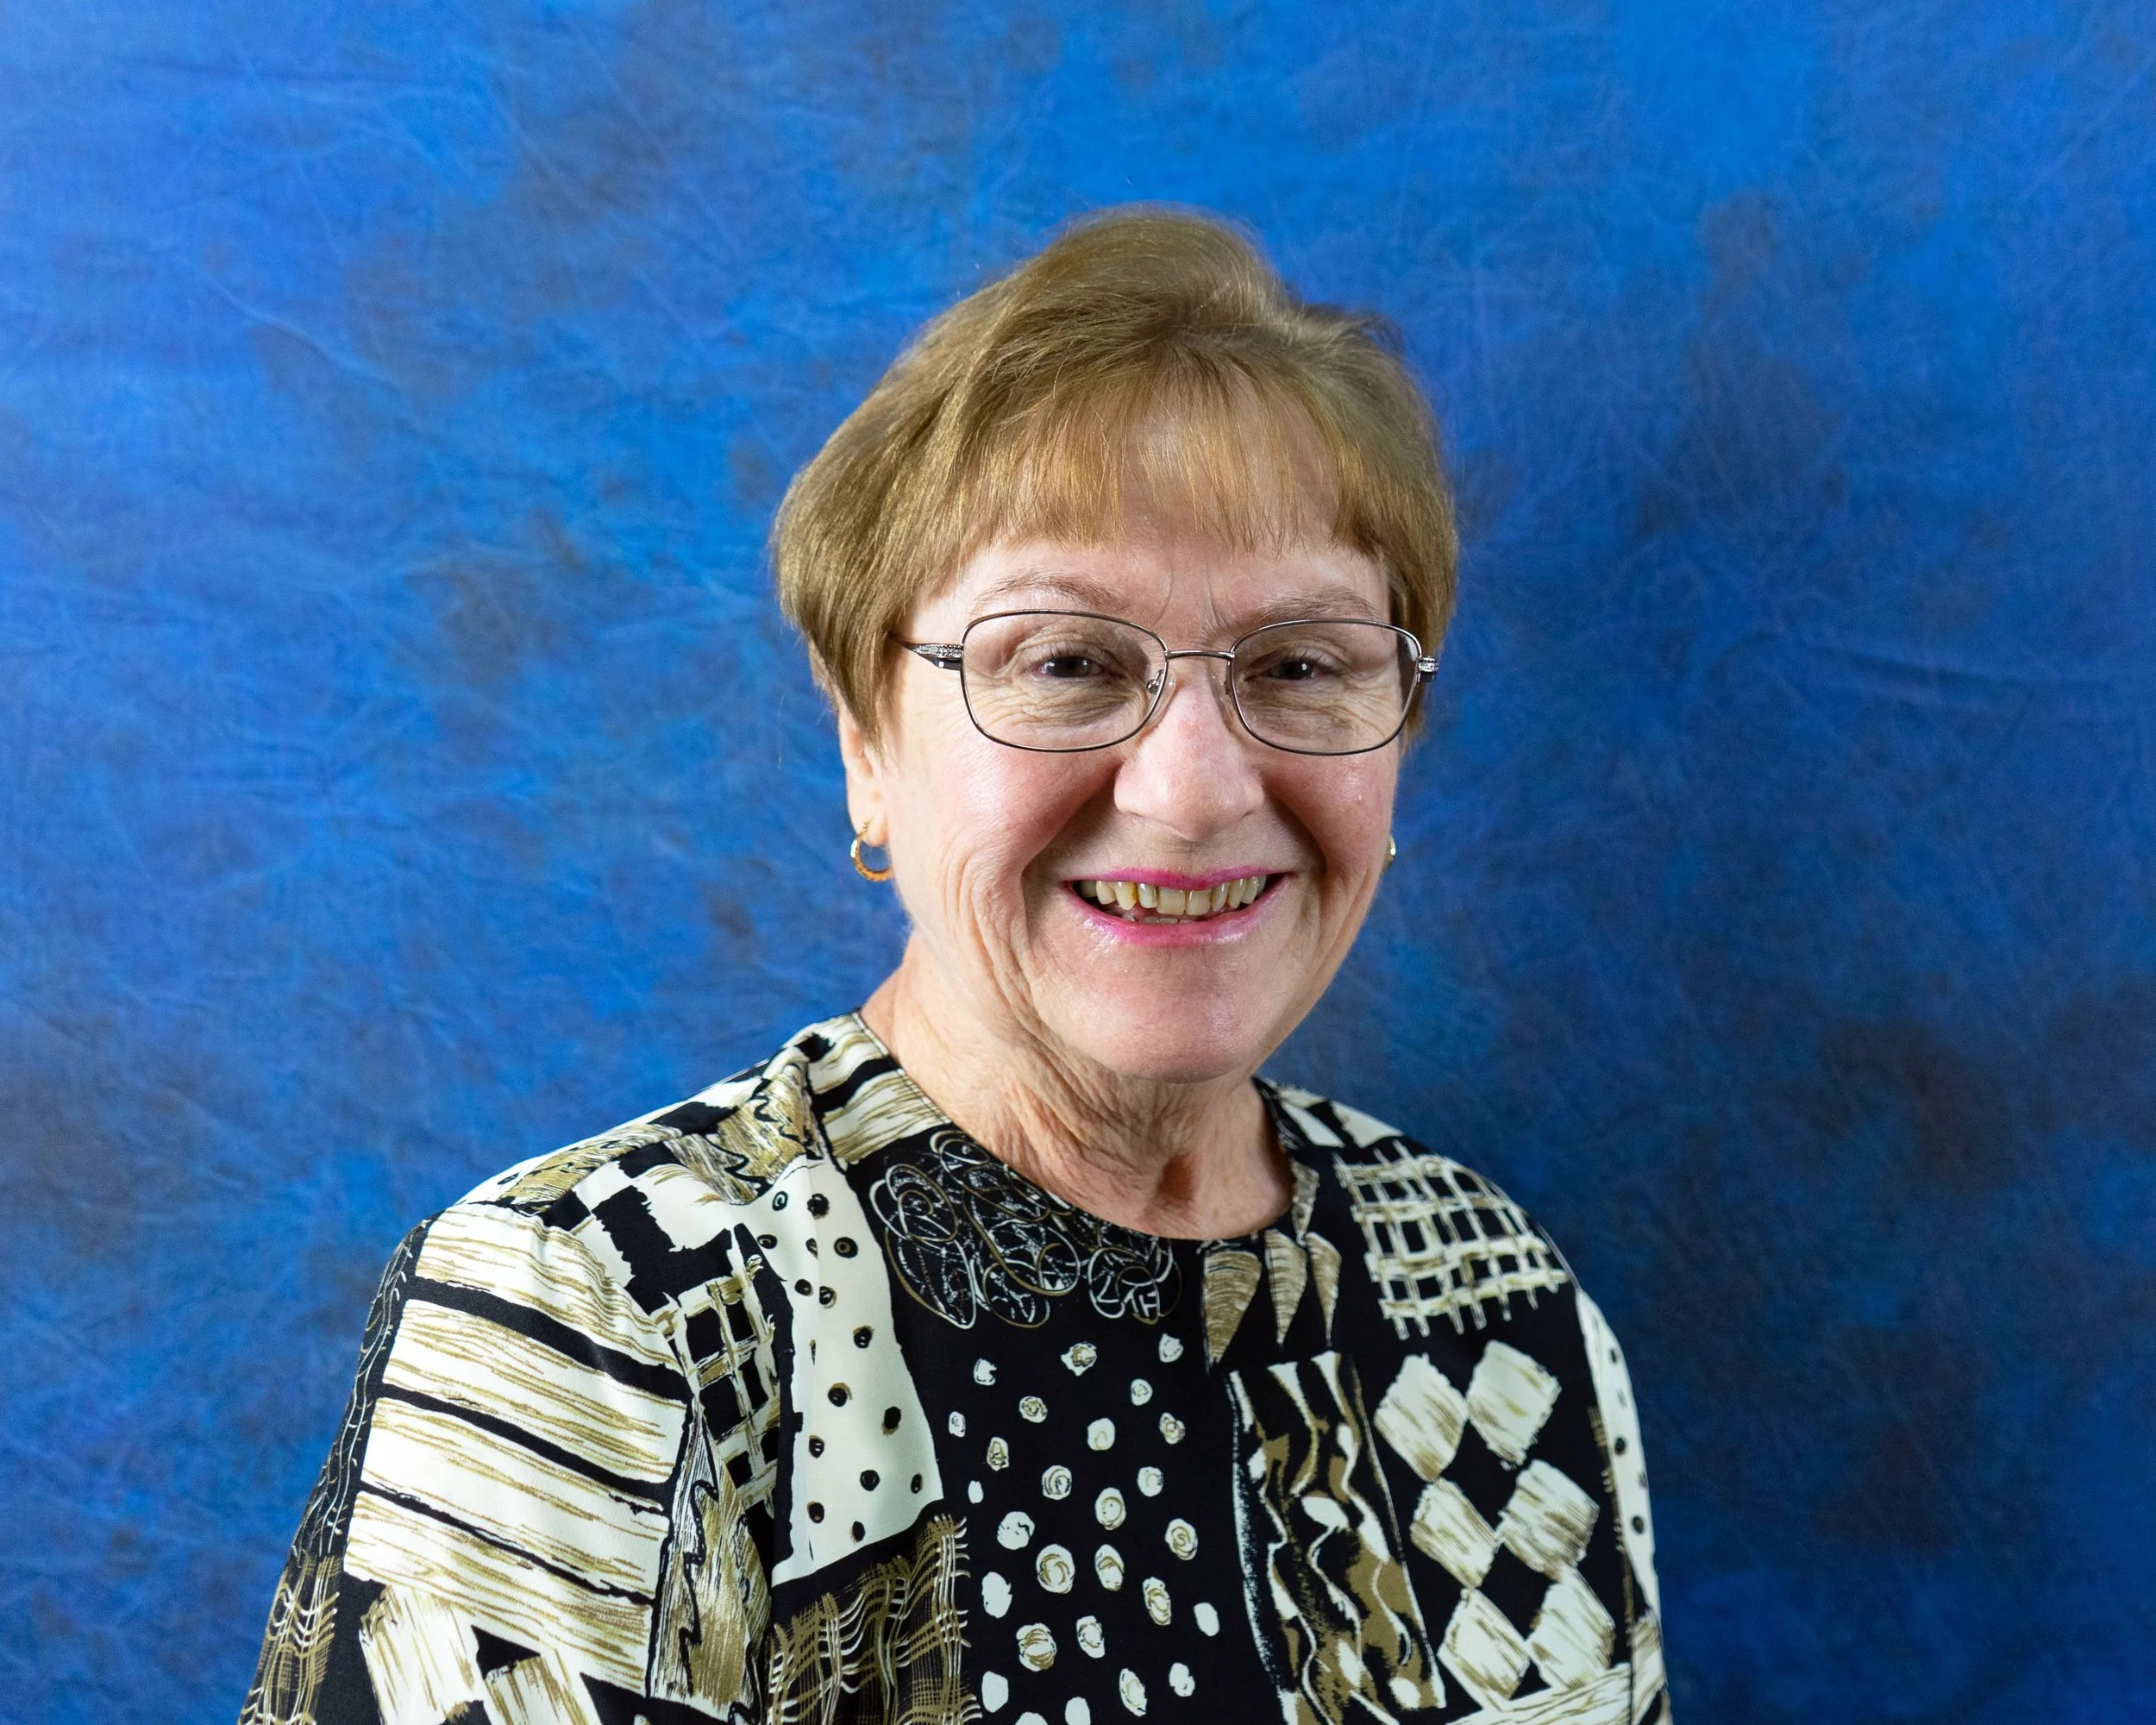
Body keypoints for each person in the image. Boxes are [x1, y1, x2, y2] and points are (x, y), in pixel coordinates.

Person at [242, 208, 1668, 1725]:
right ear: (867, 743)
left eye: (1301, 666)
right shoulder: (602, 1323)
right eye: (1065, 662)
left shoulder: (1495, 1298)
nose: (1190, 789)